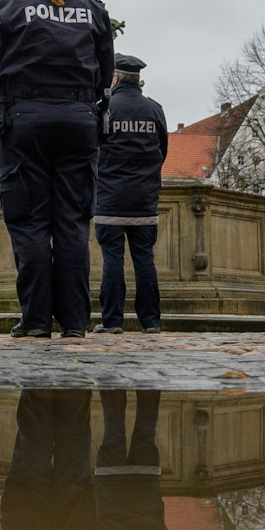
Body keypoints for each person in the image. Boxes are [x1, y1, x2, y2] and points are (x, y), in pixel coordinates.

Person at [0, 0, 115, 339]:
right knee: (72, 223)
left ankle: (36, 320)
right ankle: (74, 321)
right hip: (78, 121)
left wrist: (4, 108)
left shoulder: (6, 6)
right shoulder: (92, 9)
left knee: (30, 222)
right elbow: (105, 74)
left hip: (25, 121)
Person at [92, 53, 168, 334]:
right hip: (144, 200)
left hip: (110, 198)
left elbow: (93, 149)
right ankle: (151, 321)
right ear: (138, 80)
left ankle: (112, 321)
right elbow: (162, 150)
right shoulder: (155, 110)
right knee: (144, 259)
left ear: (115, 78)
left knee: (112, 259)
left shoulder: (105, 110)